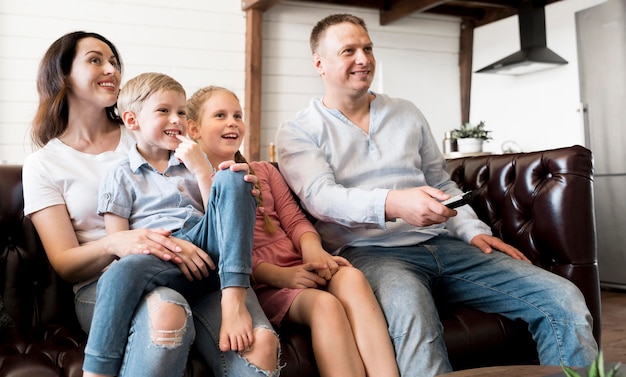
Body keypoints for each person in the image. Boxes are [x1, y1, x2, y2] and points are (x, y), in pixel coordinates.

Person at [274, 13, 599, 376]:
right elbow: (321, 197)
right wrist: (396, 204)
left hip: (444, 244)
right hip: (370, 255)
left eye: (367, 48)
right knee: (415, 324)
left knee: (562, 298)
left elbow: (442, 184)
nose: (363, 59)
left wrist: (474, 232)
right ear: (319, 63)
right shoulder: (299, 129)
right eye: (349, 50)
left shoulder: (406, 112)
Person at [22, 31, 279, 377]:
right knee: (166, 314)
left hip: (201, 259)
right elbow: (66, 263)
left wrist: (229, 177)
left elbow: (214, 187)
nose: (111, 69)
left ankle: (232, 300)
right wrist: (136, 243)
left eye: (114, 61)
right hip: (114, 276)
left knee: (261, 344)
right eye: (96, 60)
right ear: (62, 73)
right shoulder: (44, 164)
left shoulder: (153, 130)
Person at [185, 85, 400, 377]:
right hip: (263, 284)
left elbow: (296, 220)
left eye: (237, 115)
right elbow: (223, 249)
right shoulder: (197, 183)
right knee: (325, 305)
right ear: (194, 128)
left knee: (351, 277)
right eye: (220, 115)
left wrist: (315, 253)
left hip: (300, 265)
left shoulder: (265, 171)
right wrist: (282, 276)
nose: (232, 122)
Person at [87, 71, 262, 375]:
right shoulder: (121, 174)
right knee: (118, 272)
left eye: (181, 111)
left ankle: (233, 300)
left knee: (234, 176)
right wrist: (170, 245)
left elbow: (217, 218)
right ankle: (97, 370)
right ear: (132, 121)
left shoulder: (191, 163)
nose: (176, 119)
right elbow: (121, 244)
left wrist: (200, 170)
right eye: (164, 111)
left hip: (211, 254)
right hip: (161, 257)